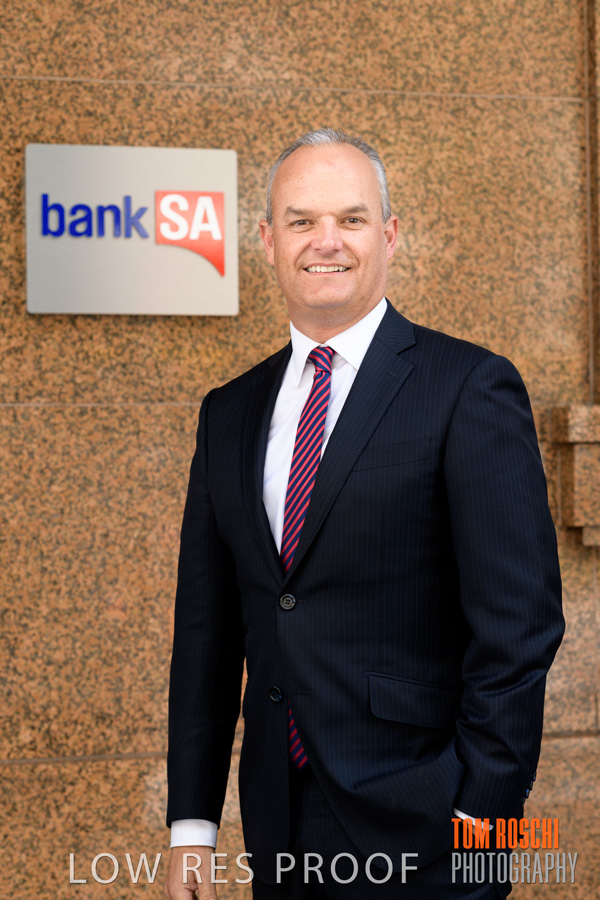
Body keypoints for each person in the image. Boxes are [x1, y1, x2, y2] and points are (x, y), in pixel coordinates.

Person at [164, 128, 564, 899]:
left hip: (430, 825)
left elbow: (521, 627)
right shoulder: (229, 412)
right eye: (302, 221)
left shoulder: (468, 386)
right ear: (268, 241)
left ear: (389, 236)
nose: (327, 241)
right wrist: (192, 828)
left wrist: (483, 821)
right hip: (279, 825)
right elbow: (206, 634)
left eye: (351, 219)